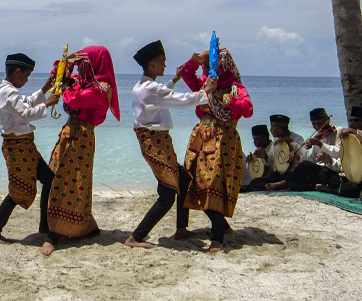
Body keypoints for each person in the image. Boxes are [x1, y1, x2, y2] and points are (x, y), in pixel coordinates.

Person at [125, 40, 213, 249]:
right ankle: (135, 238)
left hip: (157, 143)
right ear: (153, 65)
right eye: (162, 62)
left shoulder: (141, 86)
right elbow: (181, 100)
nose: (165, 65)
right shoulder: (153, 89)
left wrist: (175, 79)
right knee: (167, 196)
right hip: (156, 144)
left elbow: (162, 94)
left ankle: (181, 229)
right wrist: (205, 92)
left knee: (184, 183)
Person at [41, 46, 120, 256]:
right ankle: (77, 226)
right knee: (55, 176)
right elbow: (55, 78)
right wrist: (66, 62)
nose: (81, 66)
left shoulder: (102, 88)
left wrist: (67, 84)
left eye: (86, 62)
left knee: (70, 181)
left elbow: (71, 99)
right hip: (69, 132)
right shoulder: (83, 82)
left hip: (82, 137)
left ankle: (54, 235)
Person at [176, 47, 253, 254]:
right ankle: (182, 228)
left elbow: (247, 110)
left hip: (224, 142)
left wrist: (222, 96)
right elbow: (186, 73)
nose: (210, 68)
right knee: (187, 179)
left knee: (211, 183)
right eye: (207, 64)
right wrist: (195, 57)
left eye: (213, 64)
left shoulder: (235, 88)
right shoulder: (204, 85)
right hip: (201, 137)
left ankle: (218, 236)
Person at [0, 53, 61, 245]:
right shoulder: (7, 92)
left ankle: (44, 225)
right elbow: (26, 113)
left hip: (25, 146)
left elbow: (26, 103)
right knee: (17, 191)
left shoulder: (9, 91)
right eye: (26, 76)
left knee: (48, 179)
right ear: (17, 72)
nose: (27, 80)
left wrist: (45, 88)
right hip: (17, 148)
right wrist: (47, 103)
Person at [306, 106, 362, 198]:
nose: (351, 124)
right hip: (351, 179)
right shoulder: (350, 140)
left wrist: (354, 131)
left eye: (355, 121)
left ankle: (331, 189)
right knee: (324, 173)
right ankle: (336, 189)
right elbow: (343, 165)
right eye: (350, 121)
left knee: (353, 189)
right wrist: (330, 160)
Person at [279, 108, 342, 191]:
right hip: (318, 172)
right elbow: (312, 159)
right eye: (314, 124)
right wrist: (298, 158)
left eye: (320, 123)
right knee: (294, 185)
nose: (317, 127)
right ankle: (290, 183)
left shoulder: (339, 132)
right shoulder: (318, 136)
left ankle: (284, 183)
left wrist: (321, 144)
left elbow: (338, 152)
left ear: (328, 119)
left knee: (306, 166)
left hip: (333, 170)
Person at [261, 115, 307, 191]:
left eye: (272, 129)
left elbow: (305, 156)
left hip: (293, 172)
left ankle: (283, 184)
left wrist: (290, 141)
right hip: (281, 173)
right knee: (272, 177)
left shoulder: (297, 138)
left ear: (280, 131)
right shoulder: (276, 141)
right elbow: (271, 160)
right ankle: (282, 184)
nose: (270, 130)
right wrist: (265, 157)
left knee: (294, 181)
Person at [241, 125, 273, 192]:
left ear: (265, 139)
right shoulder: (258, 150)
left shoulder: (274, 148)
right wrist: (250, 161)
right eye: (254, 139)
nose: (254, 142)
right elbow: (253, 170)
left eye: (256, 139)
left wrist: (266, 157)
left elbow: (277, 166)